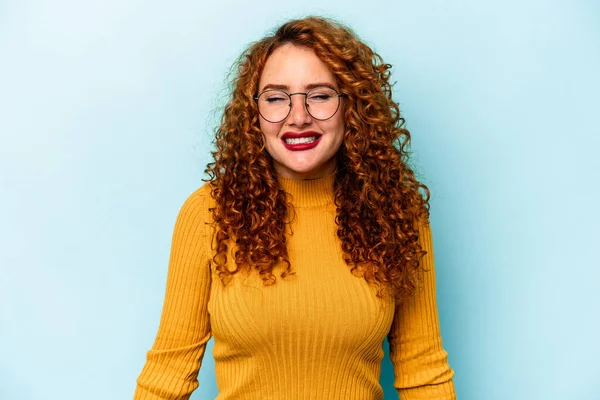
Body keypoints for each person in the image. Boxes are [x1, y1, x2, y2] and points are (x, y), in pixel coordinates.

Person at [134, 16, 456, 400]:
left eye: (320, 95)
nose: (298, 117)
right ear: (253, 114)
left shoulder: (396, 213)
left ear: (351, 108)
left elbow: (423, 367)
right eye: (275, 97)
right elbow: (168, 372)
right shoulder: (208, 213)